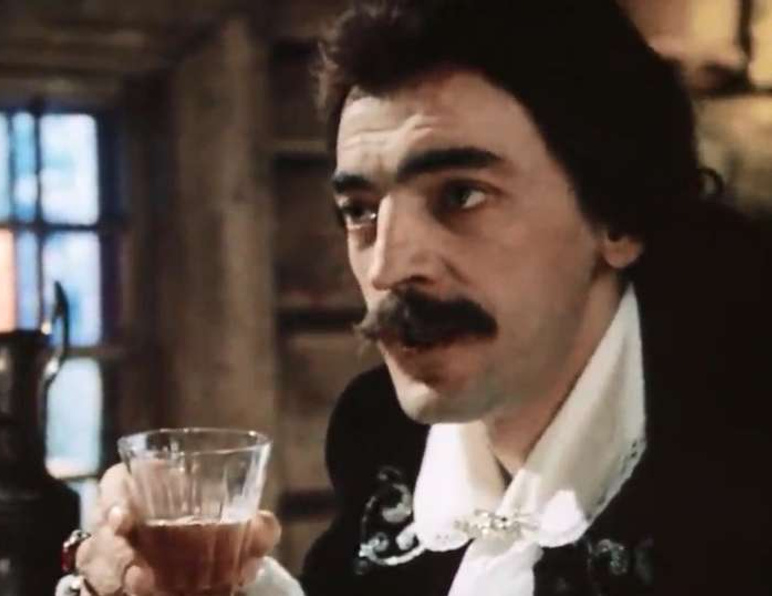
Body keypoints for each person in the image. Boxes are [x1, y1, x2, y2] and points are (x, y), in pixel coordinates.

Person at [61, 0, 772, 595]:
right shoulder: (381, 438)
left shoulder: (738, 467)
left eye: (461, 195)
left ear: (616, 218)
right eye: (361, 210)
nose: (388, 265)